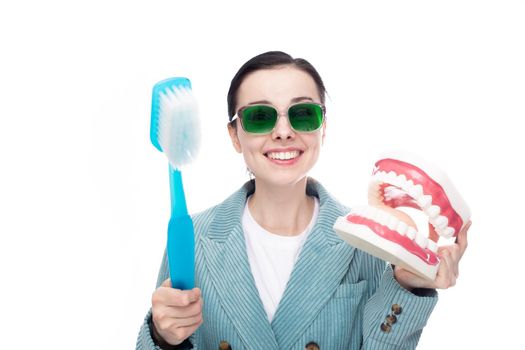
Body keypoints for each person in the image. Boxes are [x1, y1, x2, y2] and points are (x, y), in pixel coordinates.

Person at [136, 51, 470, 349]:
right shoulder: (193, 238)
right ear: (235, 136)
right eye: (260, 117)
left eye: (303, 114)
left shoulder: (364, 240)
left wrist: (406, 288)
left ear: (323, 129)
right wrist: (163, 338)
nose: (283, 131)